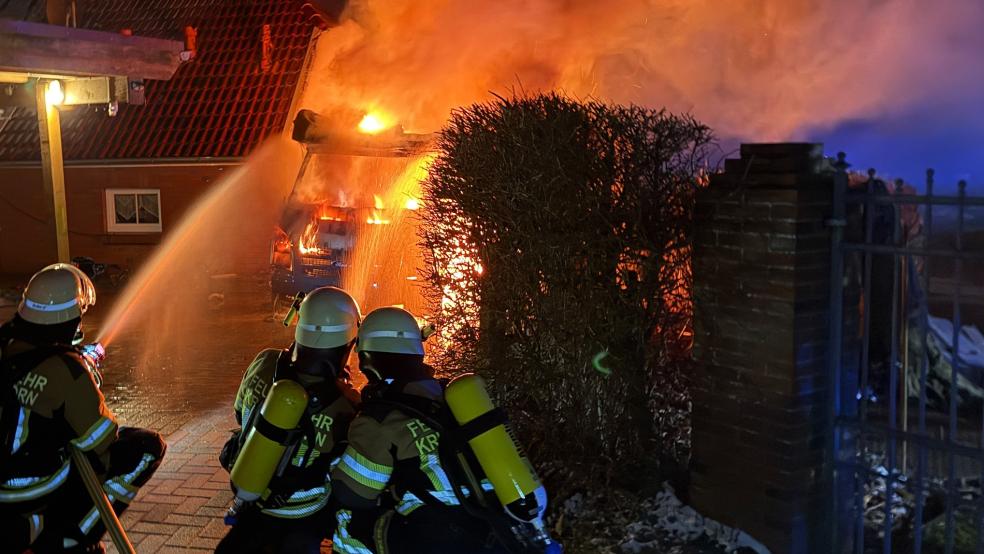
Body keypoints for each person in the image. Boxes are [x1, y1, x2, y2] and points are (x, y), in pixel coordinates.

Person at [0, 263, 165, 553]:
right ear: (71, 318)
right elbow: (100, 439)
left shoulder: (7, 343)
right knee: (146, 447)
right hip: (30, 488)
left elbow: (30, 384)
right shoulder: (68, 370)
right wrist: (88, 381)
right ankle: (73, 536)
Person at [329, 306, 508, 554]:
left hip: (439, 536)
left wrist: (339, 442)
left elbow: (354, 493)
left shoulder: (377, 419)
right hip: (494, 526)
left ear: (368, 360)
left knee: (350, 523)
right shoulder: (448, 396)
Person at [216, 286, 361, 554]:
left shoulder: (265, 362)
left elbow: (240, 412)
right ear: (350, 343)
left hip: (255, 500)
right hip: (308, 516)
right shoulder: (348, 405)